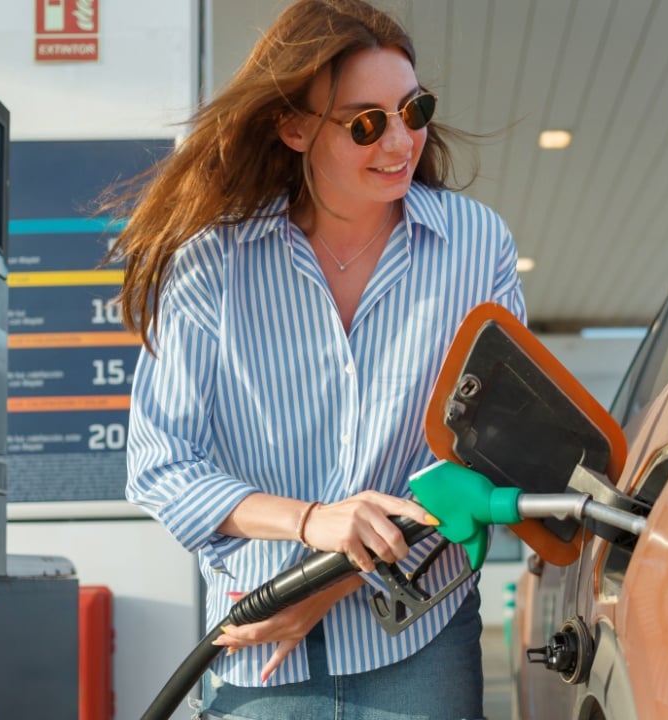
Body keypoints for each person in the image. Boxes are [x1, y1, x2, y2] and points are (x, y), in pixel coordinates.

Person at [107, 0, 525, 717]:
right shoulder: (215, 267)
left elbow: (493, 443)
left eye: (412, 109)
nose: (400, 141)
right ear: (295, 127)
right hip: (259, 648)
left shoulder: (474, 244)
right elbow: (160, 464)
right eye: (366, 122)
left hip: (417, 641)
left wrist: (325, 583)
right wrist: (308, 522)